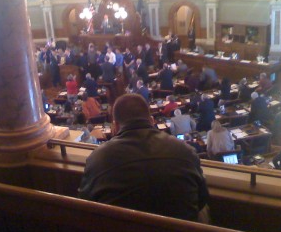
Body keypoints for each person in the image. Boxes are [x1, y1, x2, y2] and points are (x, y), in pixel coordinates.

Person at [78, 94, 209, 221]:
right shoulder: (186, 151)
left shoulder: (97, 158)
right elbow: (202, 198)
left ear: (115, 126)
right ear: (151, 121)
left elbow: (85, 202)